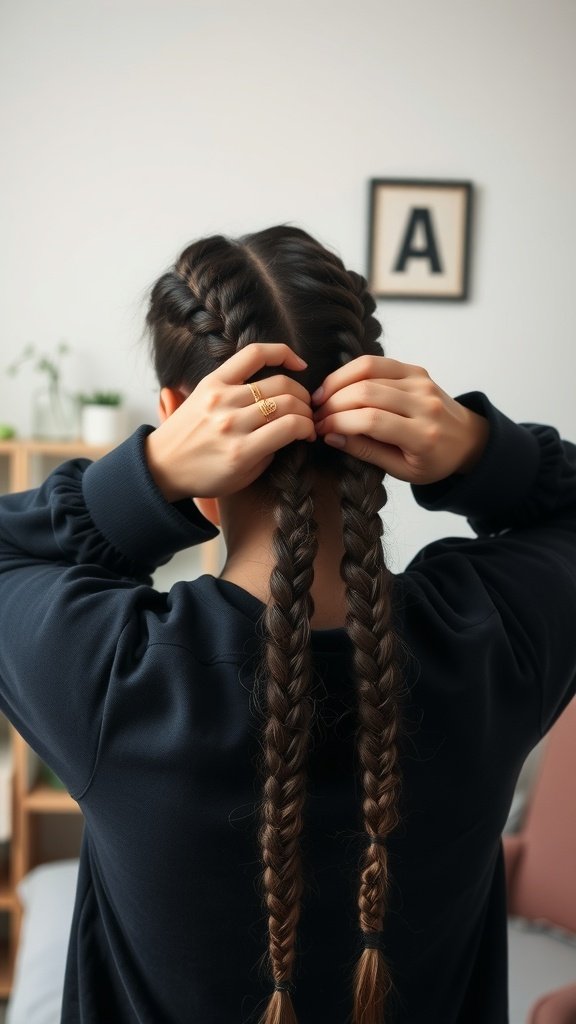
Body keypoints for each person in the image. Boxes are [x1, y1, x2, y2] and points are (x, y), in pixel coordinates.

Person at [0, 225, 575, 1024]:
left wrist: (152, 477)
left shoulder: (105, 669)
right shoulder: (494, 637)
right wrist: (482, 451)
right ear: (388, 425)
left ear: (179, 415)